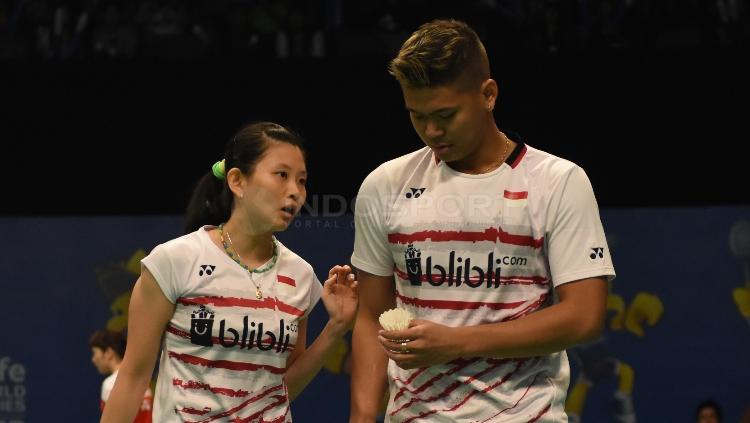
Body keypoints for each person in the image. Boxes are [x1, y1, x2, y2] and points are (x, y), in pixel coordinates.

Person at [350, 19, 615, 422]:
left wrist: (457, 342)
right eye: (417, 116)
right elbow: (371, 318)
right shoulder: (384, 185)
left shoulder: (558, 181)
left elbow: (585, 316)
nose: (431, 131)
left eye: (446, 114)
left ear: (488, 94)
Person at [101, 121, 359, 422]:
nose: (295, 192)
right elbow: (133, 377)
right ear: (237, 181)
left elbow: (281, 387)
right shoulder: (176, 260)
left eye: (301, 180)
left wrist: (336, 328)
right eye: (282, 175)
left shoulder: (300, 275)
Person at [89, 329, 152, 422]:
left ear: (108, 353)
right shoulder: (143, 384)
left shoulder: (110, 385)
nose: (93, 359)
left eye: (95, 353)